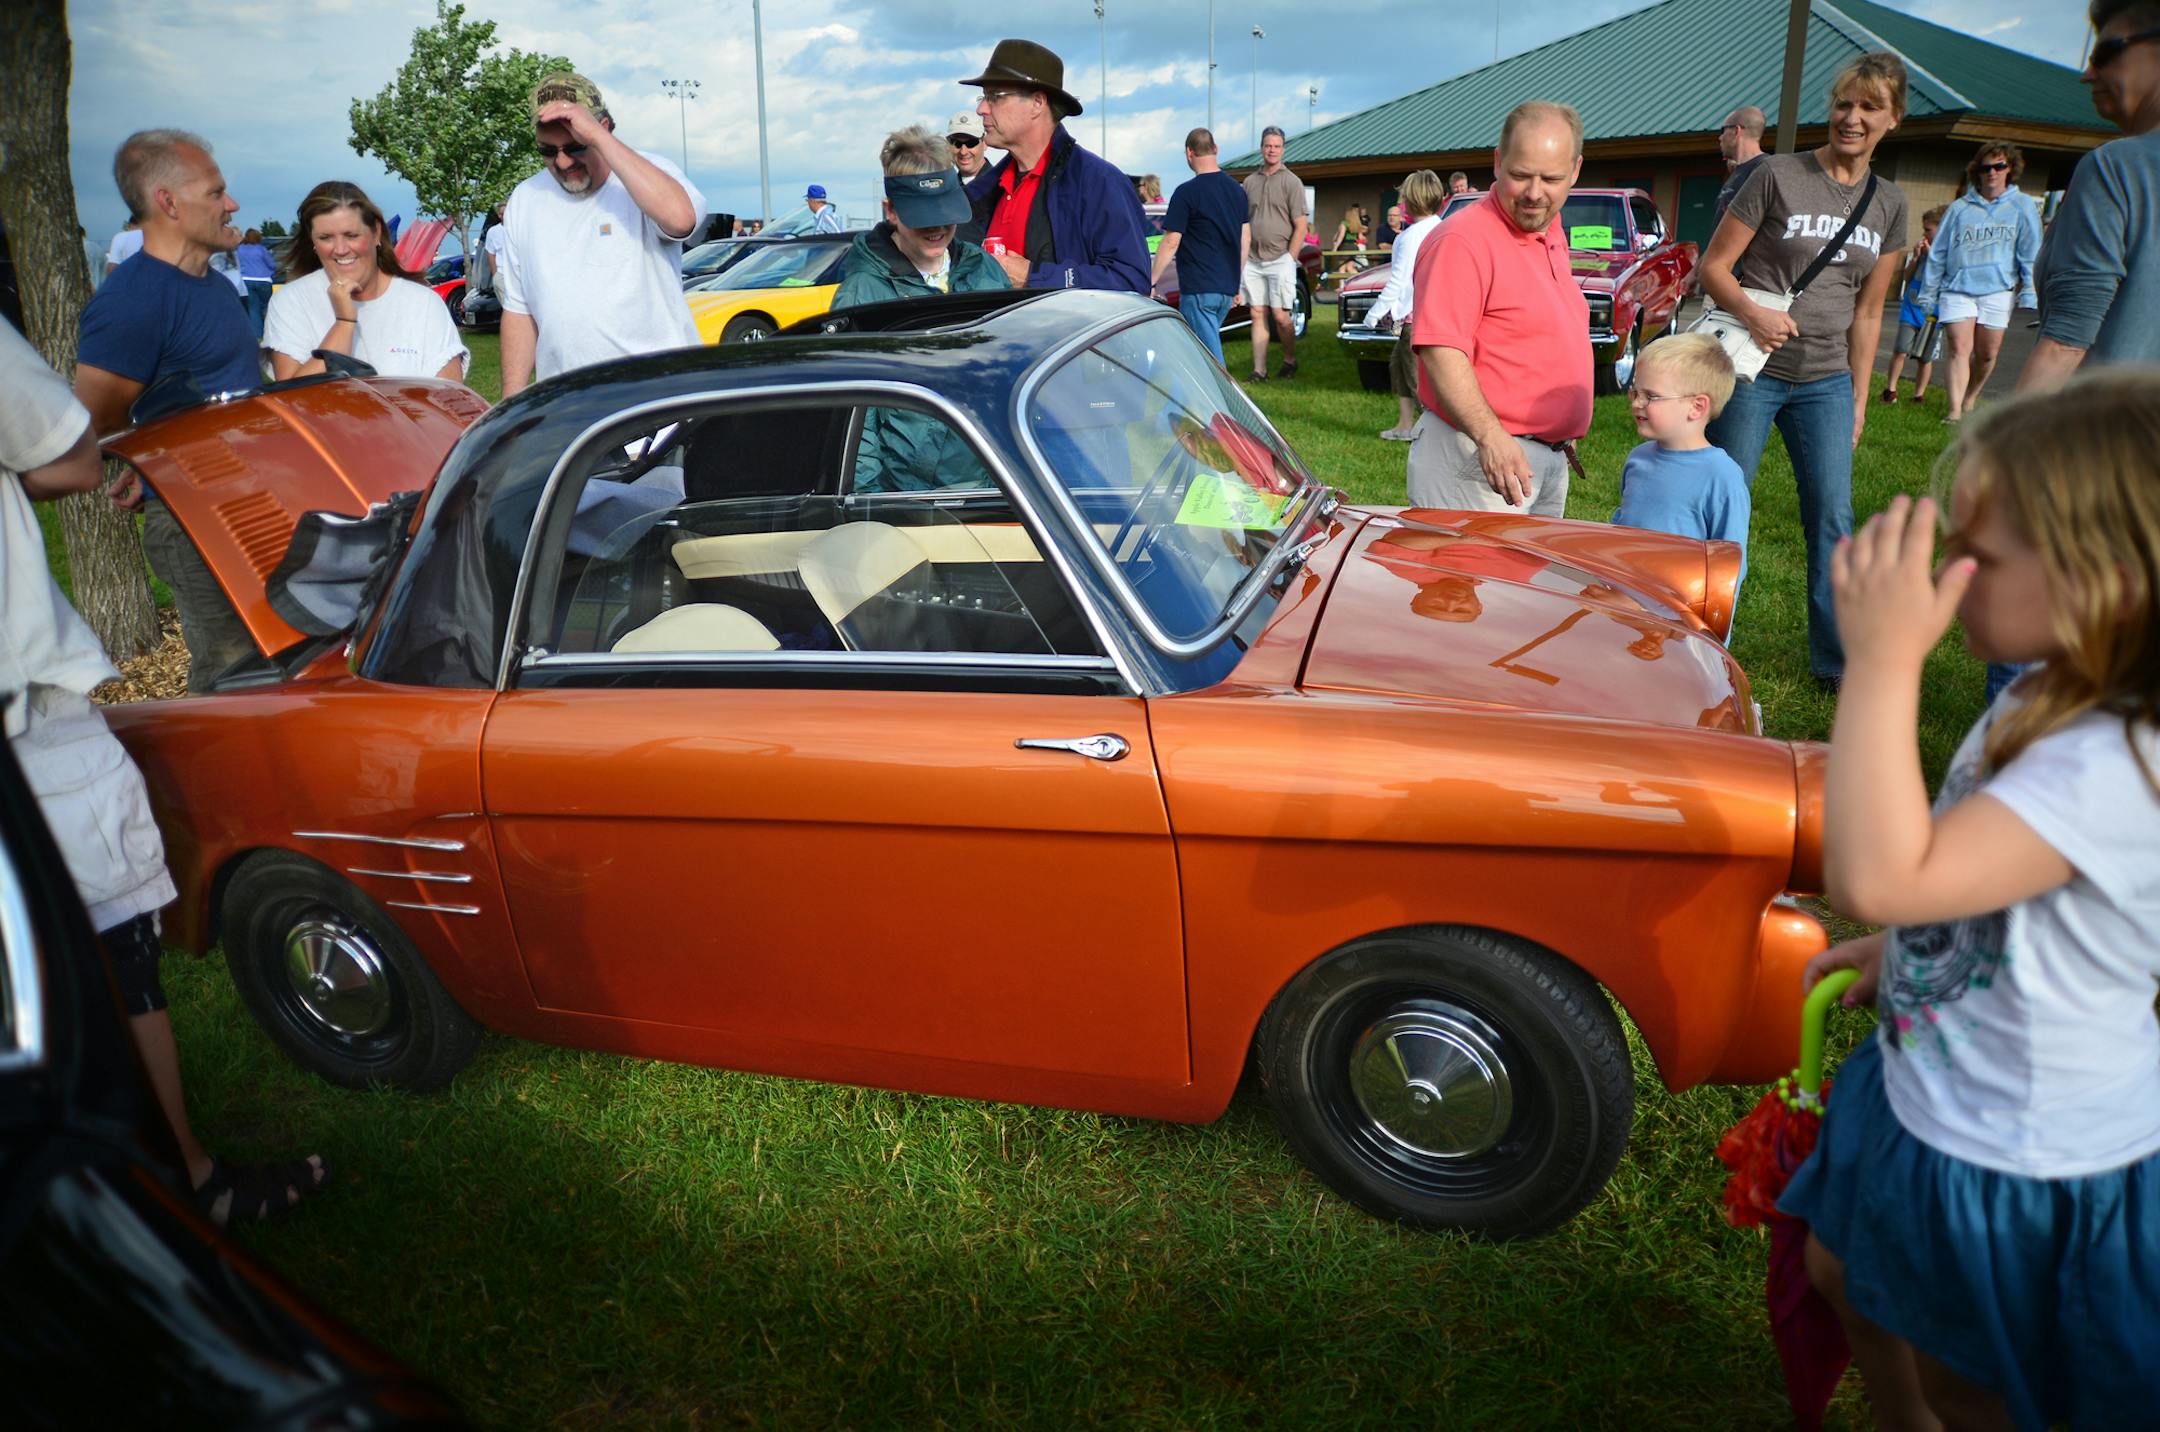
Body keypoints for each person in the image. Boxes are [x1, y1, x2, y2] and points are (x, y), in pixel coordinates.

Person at [1780, 371, 2160, 1432]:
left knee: (1976, 1382)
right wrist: (1904, 948)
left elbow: (1880, 869)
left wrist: (1884, 661)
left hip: (2018, 1156)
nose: (1950, 573)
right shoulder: (2049, 692)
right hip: (1934, 1084)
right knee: (1840, 1269)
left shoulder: (2120, 765)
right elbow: (1952, 874)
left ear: (2110, 583)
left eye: (1978, 558)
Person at [3, 317, 327, 1227]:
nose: (231, 204)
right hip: (21, 709)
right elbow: (69, 457)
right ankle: (184, 1182)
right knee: (114, 936)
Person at [1700, 52, 1908, 687]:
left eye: (1869, 108)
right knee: (1724, 509)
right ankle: (1699, 648)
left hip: (1825, 381)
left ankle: (1835, 666)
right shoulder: (1775, 174)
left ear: (1892, 120)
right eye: (1844, 103)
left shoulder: (1889, 204)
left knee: (1833, 518)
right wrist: (1754, 314)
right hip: (1749, 372)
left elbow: (1870, 313)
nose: (1852, 118)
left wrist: (1859, 396)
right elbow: (1713, 267)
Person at [74, 129, 262, 696]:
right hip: (193, 520)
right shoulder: (132, 302)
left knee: (271, 658)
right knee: (232, 676)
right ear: (168, 202)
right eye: (217, 192)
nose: (231, 205)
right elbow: (93, 422)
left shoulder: (215, 287)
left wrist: (147, 455)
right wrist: (149, 462)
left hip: (251, 501)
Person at [1407, 102, 1591, 516]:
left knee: (1527, 582)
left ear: (1575, 171)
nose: (1534, 192)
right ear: (1497, 161)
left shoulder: (1551, 231)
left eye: (1552, 178)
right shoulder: (1462, 239)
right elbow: (1442, 350)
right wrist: (1491, 437)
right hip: (1478, 458)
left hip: (1540, 460)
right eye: (1521, 175)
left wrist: (1558, 425)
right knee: (1469, 581)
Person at [496, 72, 705, 399]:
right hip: (568, 411)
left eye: (576, 146)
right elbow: (519, 310)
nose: (563, 162)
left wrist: (596, 137)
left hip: (660, 404)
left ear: (603, 128)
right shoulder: (525, 198)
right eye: (548, 152)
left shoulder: (646, 173)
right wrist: (510, 404)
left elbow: (680, 220)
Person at [832, 128, 1008, 493]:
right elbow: (854, 419)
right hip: (913, 499)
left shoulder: (985, 271)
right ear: (892, 211)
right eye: (923, 216)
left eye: (944, 213)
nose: (938, 228)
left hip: (998, 486)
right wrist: (874, 507)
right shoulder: (862, 293)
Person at [2018, 0, 2160, 390]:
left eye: (2105, 52)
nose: (2088, 74)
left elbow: (2066, 342)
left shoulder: (2115, 167)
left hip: (2111, 439)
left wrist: (2000, 447)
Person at [958, 39, 1149, 298]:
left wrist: (1031, 276)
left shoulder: (1099, 182)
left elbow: (1131, 280)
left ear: (1037, 103)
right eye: (983, 97)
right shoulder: (985, 190)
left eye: (994, 97)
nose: (981, 109)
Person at [264, 181, 469, 382]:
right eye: (326, 237)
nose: (341, 248)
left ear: (376, 233)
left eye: (351, 235)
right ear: (312, 242)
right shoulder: (289, 302)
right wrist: (344, 323)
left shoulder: (424, 303)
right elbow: (293, 398)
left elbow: (449, 400)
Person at [1609, 333, 1751, 610]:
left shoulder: (1721, 477)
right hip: (1624, 609)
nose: (1637, 402)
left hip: (1679, 623)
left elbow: (1728, 571)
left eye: (1651, 396)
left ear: (1696, 407)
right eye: (1635, 392)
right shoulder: (1638, 460)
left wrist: (1695, 627)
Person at [1916, 143, 2040, 423]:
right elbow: (1939, 254)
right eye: (1986, 168)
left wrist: (2030, 290)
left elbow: (2030, 251)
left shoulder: (2022, 206)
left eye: (1999, 166)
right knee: (1959, 347)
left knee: (1986, 354)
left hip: (1998, 289)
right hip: (1957, 288)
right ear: (1977, 172)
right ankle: (1955, 410)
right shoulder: (1960, 208)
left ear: (2010, 169)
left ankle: (1971, 394)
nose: (1992, 173)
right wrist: (1928, 295)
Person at [1148, 127, 1249, 367]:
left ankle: (1228, 404)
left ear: (1188, 153)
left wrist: (1150, 280)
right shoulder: (1237, 191)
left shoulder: (1186, 193)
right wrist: (1236, 281)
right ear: (1215, 150)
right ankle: (1173, 406)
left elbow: (1172, 240)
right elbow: (1245, 238)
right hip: (1226, 289)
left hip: (1199, 290)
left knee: (1211, 365)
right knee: (1191, 357)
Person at [1367, 169, 1446, 442]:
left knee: (1416, 376)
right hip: (1430, 314)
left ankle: (1433, 434)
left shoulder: (1409, 236)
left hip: (1414, 318)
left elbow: (1398, 280)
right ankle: (1404, 424)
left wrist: (1374, 313)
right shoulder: (1443, 227)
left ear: (1410, 201)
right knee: (1398, 365)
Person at [1240, 125, 1309, 382]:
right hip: (1253, 259)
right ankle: (1260, 370)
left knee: (1280, 316)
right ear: (1261, 148)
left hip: (1281, 257)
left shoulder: (1291, 182)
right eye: (1268, 145)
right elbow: (1244, 221)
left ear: (1283, 149)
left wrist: (1290, 258)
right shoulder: (1249, 182)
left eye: (1277, 146)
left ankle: (1290, 360)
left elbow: (1301, 225)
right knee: (1257, 313)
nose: (1272, 150)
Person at [1881, 206, 1945, 405]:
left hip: (1932, 314)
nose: (1924, 234)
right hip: (1911, 309)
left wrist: (1932, 254)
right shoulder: (1923, 253)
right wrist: (1916, 258)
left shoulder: (1946, 254)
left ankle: (1919, 394)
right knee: (1900, 349)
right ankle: (1890, 390)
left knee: (1925, 358)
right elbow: (1907, 279)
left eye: (1928, 230)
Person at [1712, 105, 1768, 226]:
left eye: (1723, 131)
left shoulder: (1765, 170)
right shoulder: (1739, 171)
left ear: (1736, 131)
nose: (1720, 137)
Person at [235, 227, 275, 337]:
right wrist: (271, 272)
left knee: (253, 309)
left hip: (247, 280)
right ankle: (269, 333)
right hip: (264, 280)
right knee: (266, 307)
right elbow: (271, 264)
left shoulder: (240, 249)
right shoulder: (261, 249)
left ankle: (257, 335)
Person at [946, 111, 988, 180]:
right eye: (957, 143)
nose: (963, 152)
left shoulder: (1001, 186)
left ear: (985, 143)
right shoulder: (946, 188)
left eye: (971, 143)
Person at [1329, 205, 1367, 278]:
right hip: (1354, 246)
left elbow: (1341, 237)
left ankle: (1342, 286)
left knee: (1341, 267)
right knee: (1350, 267)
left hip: (1345, 246)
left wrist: (1335, 248)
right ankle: (1357, 283)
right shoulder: (1356, 225)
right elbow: (1361, 237)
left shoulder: (1344, 223)